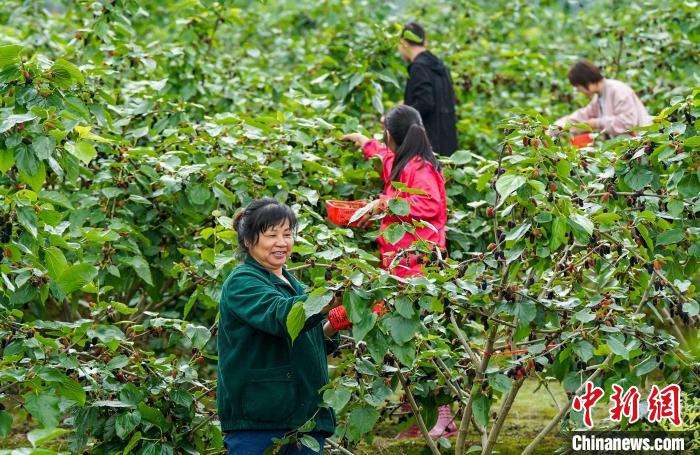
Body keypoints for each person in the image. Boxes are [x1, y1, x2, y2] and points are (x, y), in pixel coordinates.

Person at [340, 105, 455, 438]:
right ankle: (417, 415)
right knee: (404, 339)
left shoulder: (421, 169)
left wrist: (384, 204)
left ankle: (443, 417)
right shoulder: (405, 161)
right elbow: (385, 159)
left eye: (383, 132)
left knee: (420, 339)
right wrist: (364, 143)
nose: (381, 138)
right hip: (400, 262)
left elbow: (431, 205)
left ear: (394, 135)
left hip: (418, 264)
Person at [217, 198, 341, 455]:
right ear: (249, 240)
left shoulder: (293, 284)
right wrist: (328, 298)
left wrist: (335, 322)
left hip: (303, 417)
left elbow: (303, 336)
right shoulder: (242, 281)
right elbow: (281, 317)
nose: (282, 242)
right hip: (260, 419)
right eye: (272, 235)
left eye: (287, 234)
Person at [398, 22, 459, 156]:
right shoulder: (441, 67)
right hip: (448, 142)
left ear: (403, 43)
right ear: (425, 42)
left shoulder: (418, 67)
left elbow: (425, 103)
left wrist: (399, 117)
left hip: (429, 145)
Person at [554, 59, 652, 138]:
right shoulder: (599, 97)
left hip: (642, 142)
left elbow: (628, 122)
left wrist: (597, 123)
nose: (579, 90)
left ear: (586, 81)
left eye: (578, 86)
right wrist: (557, 127)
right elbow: (583, 115)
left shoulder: (617, 90)